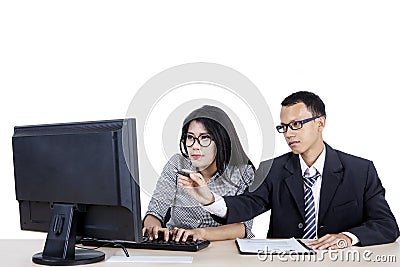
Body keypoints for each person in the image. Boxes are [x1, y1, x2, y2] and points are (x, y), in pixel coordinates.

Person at [179, 91, 399, 249]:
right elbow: (248, 204)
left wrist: (348, 237)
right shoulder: (273, 168)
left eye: (296, 124)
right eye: (283, 127)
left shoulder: (360, 171)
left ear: (320, 123)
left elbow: (387, 225)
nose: (289, 134)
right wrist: (209, 199)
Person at [143, 105, 255, 242]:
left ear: (221, 140)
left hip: (221, 250)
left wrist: (200, 233)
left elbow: (243, 228)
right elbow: (155, 211)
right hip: (178, 246)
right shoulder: (178, 164)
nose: (195, 146)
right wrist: (154, 229)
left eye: (204, 138)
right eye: (190, 137)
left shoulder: (243, 173)